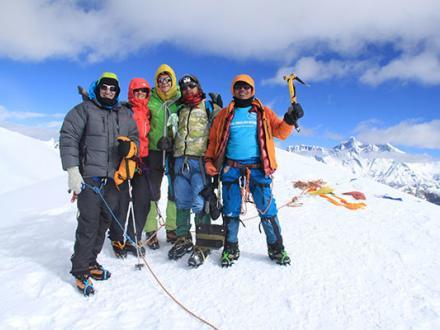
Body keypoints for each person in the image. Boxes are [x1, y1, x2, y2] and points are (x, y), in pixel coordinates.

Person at [204, 74, 304, 267]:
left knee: (267, 210)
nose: (243, 90)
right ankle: (230, 248)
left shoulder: (263, 112)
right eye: (239, 87)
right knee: (231, 211)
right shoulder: (224, 115)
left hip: (258, 167)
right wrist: (209, 160)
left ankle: (276, 248)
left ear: (252, 90)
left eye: (247, 87)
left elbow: (281, 132)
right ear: (233, 90)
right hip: (231, 167)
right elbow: (215, 141)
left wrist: (290, 119)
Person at [60, 72, 139, 295]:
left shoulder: (124, 114)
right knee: (88, 223)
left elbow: (135, 140)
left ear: (117, 91)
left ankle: (91, 262)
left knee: (104, 222)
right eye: (104, 88)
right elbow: (68, 137)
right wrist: (73, 170)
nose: (108, 92)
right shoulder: (84, 110)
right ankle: (80, 270)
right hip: (89, 179)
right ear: (98, 88)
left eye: (112, 89)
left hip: (114, 180)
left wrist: (130, 149)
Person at [167, 74, 221, 267]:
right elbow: (174, 131)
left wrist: (219, 109)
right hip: (179, 161)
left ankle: (204, 243)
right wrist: (168, 142)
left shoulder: (208, 107)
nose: (188, 90)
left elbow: (222, 129)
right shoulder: (180, 109)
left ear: (198, 87)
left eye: (192, 86)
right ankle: (183, 237)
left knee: (200, 203)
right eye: (185, 88)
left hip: (200, 162)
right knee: (181, 201)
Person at [108, 78, 152, 258]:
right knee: (122, 201)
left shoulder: (149, 112)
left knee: (142, 201)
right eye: (137, 91)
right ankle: (117, 238)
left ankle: (134, 237)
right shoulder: (123, 110)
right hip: (124, 159)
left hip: (142, 161)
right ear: (131, 92)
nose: (140, 95)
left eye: (144, 92)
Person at [143, 64, 180, 249]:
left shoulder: (180, 98)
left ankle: (172, 228)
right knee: (152, 190)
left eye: (167, 80)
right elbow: (135, 107)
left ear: (173, 80)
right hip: (154, 149)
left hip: (174, 150)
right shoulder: (150, 97)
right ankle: (150, 230)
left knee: (174, 190)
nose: (164, 83)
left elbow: (197, 104)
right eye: (160, 80)